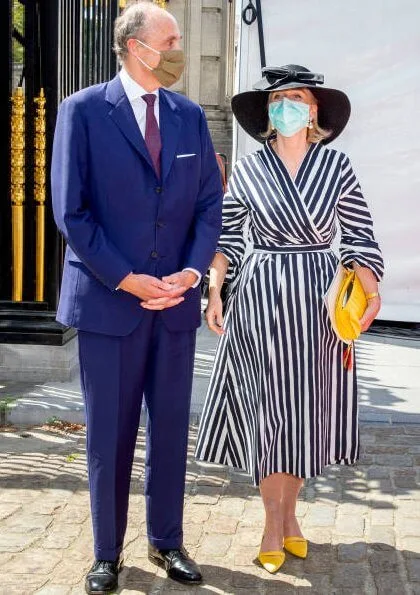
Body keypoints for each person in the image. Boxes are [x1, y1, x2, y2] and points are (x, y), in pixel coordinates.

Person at [51, 2, 222, 592]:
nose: (177, 47)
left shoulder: (189, 115)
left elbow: (207, 204)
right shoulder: (82, 111)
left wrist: (191, 275)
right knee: (108, 434)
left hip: (173, 304)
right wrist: (125, 278)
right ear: (135, 45)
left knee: (171, 427)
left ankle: (167, 541)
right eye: (170, 38)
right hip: (108, 303)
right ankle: (106, 552)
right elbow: (71, 211)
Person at [196, 64, 384, 573]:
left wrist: (368, 290)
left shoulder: (338, 166)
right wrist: (215, 291)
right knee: (270, 415)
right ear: (268, 114)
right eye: (278, 100)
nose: (287, 107)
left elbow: (360, 236)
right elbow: (228, 237)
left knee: (303, 416)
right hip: (260, 300)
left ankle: (291, 516)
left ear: (314, 110)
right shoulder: (251, 168)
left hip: (319, 306)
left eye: (297, 98)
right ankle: (271, 523)